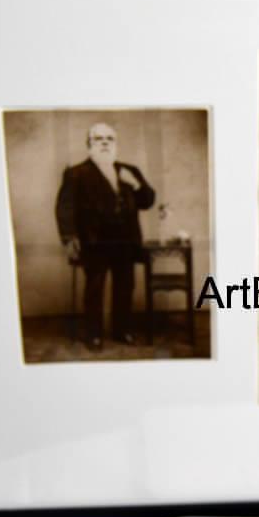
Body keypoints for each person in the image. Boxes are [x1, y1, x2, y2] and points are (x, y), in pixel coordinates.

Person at [55, 122, 156, 349]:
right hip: (94, 242)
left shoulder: (130, 171)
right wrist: (69, 237)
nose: (104, 143)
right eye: (98, 139)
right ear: (89, 144)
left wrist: (135, 184)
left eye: (109, 139)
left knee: (125, 287)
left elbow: (147, 201)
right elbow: (64, 207)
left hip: (126, 240)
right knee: (94, 289)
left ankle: (122, 330)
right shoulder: (76, 173)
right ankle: (94, 334)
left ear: (116, 144)